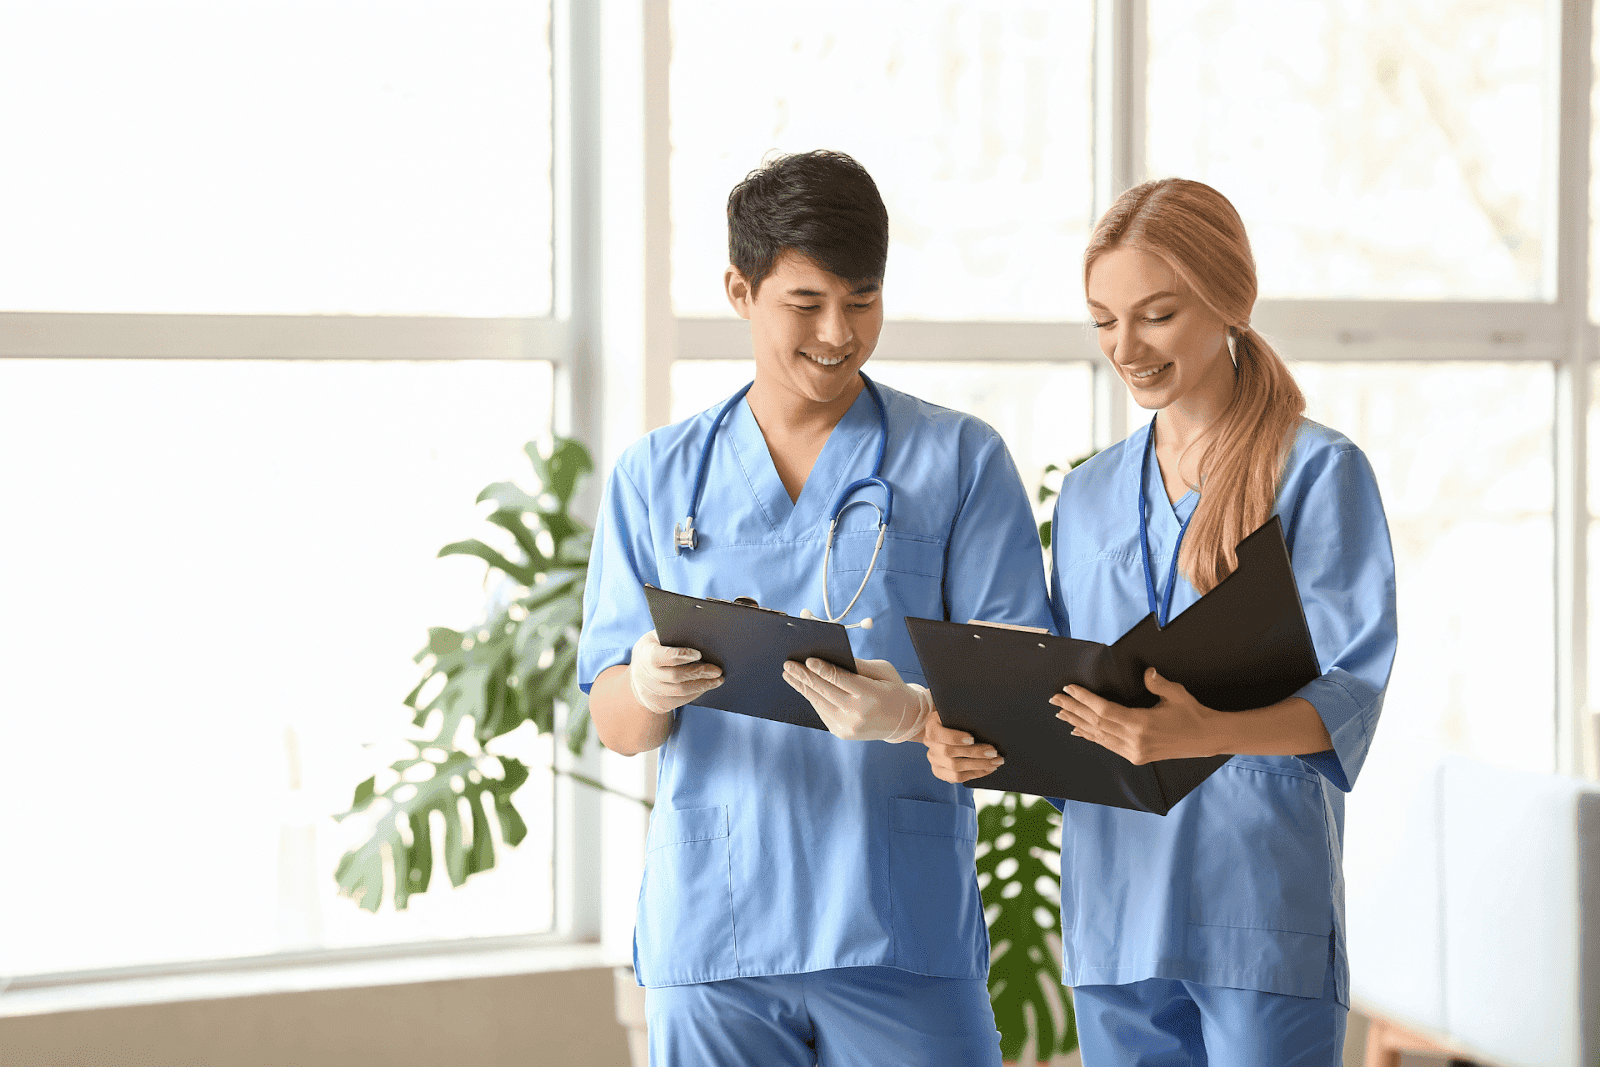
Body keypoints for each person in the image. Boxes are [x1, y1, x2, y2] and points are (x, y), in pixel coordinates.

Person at [578, 149, 1052, 1067]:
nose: (838, 331)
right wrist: (644, 682)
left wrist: (914, 714)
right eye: (806, 303)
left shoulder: (958, 461)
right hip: (717, 931)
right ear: (739, 290)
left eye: (862, 299)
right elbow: (618, 725)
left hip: (898, 922)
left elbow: (1024, 702)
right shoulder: (657, 476)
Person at [924, 178, 1398, 1066]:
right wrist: (974, 738)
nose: (1125, 346)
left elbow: (1351, 689)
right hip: (1116, 902)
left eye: (1156, 314)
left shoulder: (1318, 471)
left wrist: (1204, 731)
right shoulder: (1093, 491)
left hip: (1256, 902)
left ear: (1229, 303)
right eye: (1104, 319)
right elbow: (1066, 692)